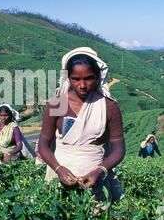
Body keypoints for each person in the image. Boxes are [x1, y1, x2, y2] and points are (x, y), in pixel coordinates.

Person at [38, 47, 125, 202]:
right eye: (75, 79)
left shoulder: (109, 106)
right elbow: (43, 144)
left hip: (95, 180)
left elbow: (119, 148)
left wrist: (100, 170)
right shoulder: (56, 104)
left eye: (89, 78)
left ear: (98, 77)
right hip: (59, 177)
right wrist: (59, 170)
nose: (83, 85)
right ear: (68, 79)